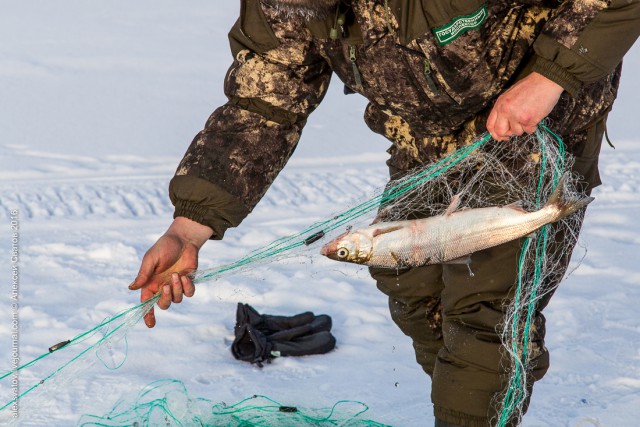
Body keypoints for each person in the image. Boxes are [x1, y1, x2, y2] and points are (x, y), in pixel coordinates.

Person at [129, 1, 640, 425]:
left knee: (486, 316)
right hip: (426, 139)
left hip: (535, 128)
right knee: (411, 288)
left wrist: (550, 77)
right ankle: (476, 393)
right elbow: (264, 102)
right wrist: (189, 226)